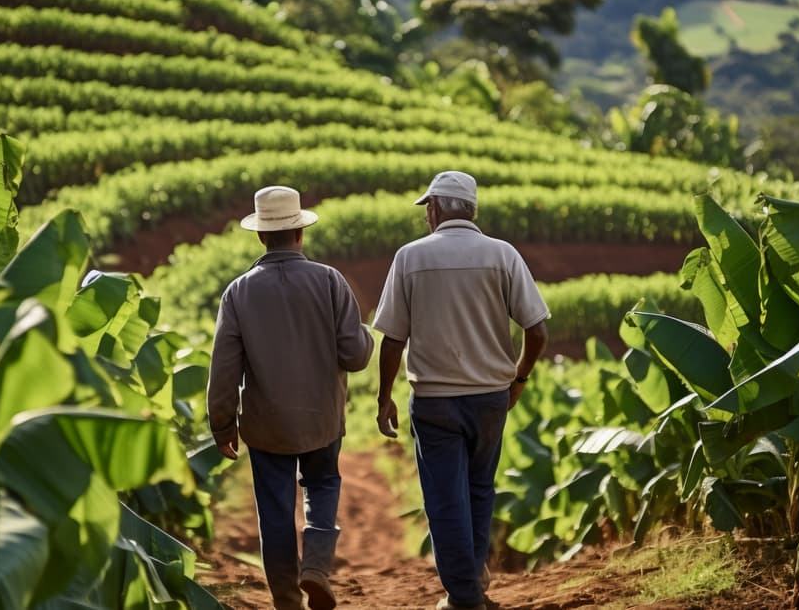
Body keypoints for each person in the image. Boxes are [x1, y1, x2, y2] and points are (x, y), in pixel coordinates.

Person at [372, 171, 549, 610]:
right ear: (471, 209)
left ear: (434, 209)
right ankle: (472, 583)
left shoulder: (410, 258)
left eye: (427, 209)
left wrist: (384, 397)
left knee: (444, 499)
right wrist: (519, 376)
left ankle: (464, 596)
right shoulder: (503, 255)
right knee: (478, 490)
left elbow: (393, 338)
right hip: (491, 397)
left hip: (434, 400)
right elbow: (538, 329)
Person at [207, 185, 373, 610]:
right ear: (299, 233)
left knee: (275, 509)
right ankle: (315, 568)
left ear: (261, 236)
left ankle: (285, 600)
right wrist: (367, 337)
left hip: (266, 424)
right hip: (322, 416)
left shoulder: (238, 292)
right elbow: (355, 357)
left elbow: (224, 368)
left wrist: (222, 424)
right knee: (322, 485)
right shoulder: (331, 281)